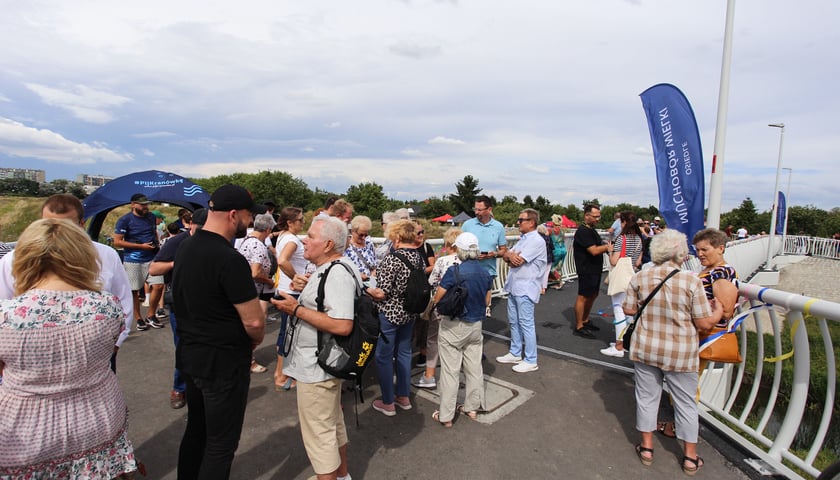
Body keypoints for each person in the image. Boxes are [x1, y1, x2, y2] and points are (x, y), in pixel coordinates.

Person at [0, 218, 139, 479]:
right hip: (98, 418)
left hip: (25, 431)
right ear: (83, 255)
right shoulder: (106, 306)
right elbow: (108, 350)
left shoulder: (6, 316)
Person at [172, 184, 266, 479]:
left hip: (190, 356)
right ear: (234, 214)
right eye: (249, 217)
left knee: (196, 429)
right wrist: (255, 341)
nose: (250, 223)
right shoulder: (229, 259)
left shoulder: (186, 244)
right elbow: (253, 322)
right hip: (222, 363)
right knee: (221, 443)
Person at [623, 229, 722, 476]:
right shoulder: (691, 281)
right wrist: (718, 311)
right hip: (680, 353)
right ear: (680, 253)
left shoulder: (641, 277)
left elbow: (628, 310)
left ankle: (646, 449)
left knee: (646, 398)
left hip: (646, 348)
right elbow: (703, 324)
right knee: (686, 404)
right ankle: (690, 457)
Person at [0, 194, 133, 373]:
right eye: (50, 225)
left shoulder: (106, 255)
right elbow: (4, 300)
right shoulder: (14, 259)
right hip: (31, 361)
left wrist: (115, 345)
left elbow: (123, 300)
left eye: (66, 227)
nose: (57, 233)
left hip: (95, 357)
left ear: (81, 224)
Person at [271, 216, 355, 480]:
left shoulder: (337, 272)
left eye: (311, 236)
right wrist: (305, 287)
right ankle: (341, 476)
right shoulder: (333, 268)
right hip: (323, 364)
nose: (304, 240)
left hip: (317, 367)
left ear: (328, 244)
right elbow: (328, 302)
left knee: (319, 434)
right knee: (330, 426)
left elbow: (343, 325)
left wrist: (295, 308)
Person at [656, 228, 739, 439]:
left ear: (720, 248)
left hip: (701, 336)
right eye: (697, 250)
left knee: (687, 385)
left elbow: (726, 309)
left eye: (705, 249)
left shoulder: (721, 272)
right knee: (683, 383)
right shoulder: (710, 270)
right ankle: (680, 425)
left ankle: (682, 429)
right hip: (691, 335)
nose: (700, 254)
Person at [431, 232, 492, 427]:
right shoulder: (485, 273)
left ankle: (446, 415)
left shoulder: (455, 272)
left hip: (454, 325)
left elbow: (438, 296)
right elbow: (487, 300)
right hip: (476, 325)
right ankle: (472, 407)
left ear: (460, 250)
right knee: (474, 368)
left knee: (450, 371)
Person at [149, 208, 206, 410]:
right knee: (183, 348)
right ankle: (179, 388)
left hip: (206, 305)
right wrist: (177, 262)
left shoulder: (212, 241)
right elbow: (154, 269)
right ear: (190, 225)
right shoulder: (177, 242)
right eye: (199, 227)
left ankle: (201, 388)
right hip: (181, 306)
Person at [366, 219, 422, 416]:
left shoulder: (392, 259)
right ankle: (403, 396)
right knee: (404, 353)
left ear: (397, 238)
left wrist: (368, 289)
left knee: (383, 357)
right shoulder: (417, 256)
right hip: (409, 312)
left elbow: (382, 293)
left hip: (390, 313)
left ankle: (388, 401)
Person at [497, 208, 546, 373]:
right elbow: (507, 256)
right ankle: (515, 352)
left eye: (521, 220)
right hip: (515, 286)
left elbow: (516, 261)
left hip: (526, 287)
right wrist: (510, 256)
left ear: (531, 222)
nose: (518, 222)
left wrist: (509, 257)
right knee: (514, 321)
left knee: (526, 323)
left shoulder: (536, 241)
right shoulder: (523, 239)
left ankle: (531, 359)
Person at [413, 227, 462, 389]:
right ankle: (453, 376)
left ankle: (429, 376)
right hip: (461, 306)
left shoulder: (442, 261)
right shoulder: (467, 262)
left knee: (433, 339)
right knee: (456, 341)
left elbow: (431, 283)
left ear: (448, 243)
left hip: (442, 305)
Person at [113, 193, 163, 331]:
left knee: (158, 285)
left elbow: (153, 232)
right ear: (133, 204)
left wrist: (156, 244)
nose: (145, 207)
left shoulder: (151, 217)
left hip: (152, 257)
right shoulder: (125, 220)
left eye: (147, 204)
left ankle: (151, 314)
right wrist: (140, 246)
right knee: (134, 291)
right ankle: (138, 318)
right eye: (142, 204)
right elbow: (117, 242)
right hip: (133, 260)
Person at [236, 212, 278, 375]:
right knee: (254, 327)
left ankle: (245, 357)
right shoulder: (258, 245)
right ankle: (248, 360)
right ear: (267, 229)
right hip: (255, 292)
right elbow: (255, 273)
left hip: (249, 290)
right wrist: (269, 281)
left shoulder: (247, 241)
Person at [600, 211, 645, 358]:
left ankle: (619, 345)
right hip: (633, 276)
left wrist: (609, 251)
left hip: (621, 278)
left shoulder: (622, 239)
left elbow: (614, 261)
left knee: (619, 309)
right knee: (629, 311)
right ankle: (626, 342)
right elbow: (638, 262)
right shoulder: (639, 239)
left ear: (623, 222)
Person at [273, 206, 307, 391]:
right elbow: (282, 260)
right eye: (300, 219)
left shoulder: (283, 236)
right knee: (288, 333)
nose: (303, 222)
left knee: (286, 331)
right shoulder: (292, 240)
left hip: (286, 289)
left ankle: (282, 372)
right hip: (292, 292)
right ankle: (280, 374)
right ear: (290, 222)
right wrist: (296, 277)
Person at [462, 195, 508, 317]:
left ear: (489, 209)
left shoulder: (498, 226)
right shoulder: (467, 225)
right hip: (469, 268)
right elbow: (459, 246)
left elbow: (504, 250)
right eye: (475, 209)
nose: (476, 212)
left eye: (480, 210)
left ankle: (484, 312)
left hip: (488, 269)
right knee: (469, 300)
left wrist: (494, 254)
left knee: (483, 302)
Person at [572, 204, 613, 339]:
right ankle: (579, 325)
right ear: (587, 216)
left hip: (595, 269)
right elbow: (593, 250)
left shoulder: (592, 230)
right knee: (583, 296)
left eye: (598, 216)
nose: (598, 219)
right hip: (586, 268)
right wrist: (607, 247)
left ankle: (585, 319)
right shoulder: (583, 231)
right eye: (595, 216)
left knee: (593, 294)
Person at [345, 215, 377, 282]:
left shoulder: (369, 244)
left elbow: (375, 263)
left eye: (366, 235)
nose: (363, 238)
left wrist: (374, 272)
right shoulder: (345, 246)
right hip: (355, 283)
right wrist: (357, 274)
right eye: (361, 235)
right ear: (353, 231)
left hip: (371, 283)